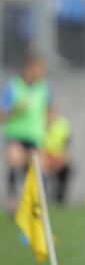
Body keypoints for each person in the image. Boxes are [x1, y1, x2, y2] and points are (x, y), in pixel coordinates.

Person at [0, 53, 52, 213]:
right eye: (40, 68)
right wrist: (15, 110)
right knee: (15, 163)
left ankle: (34, 203)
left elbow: (49, 109)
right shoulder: (13, 86)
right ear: (30, 67)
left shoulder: (44, 87)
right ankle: (12, 201)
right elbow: (2, 114)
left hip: (35, 136)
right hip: (15, 135)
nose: (43, 72)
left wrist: (47, 128)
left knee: (39, 169)